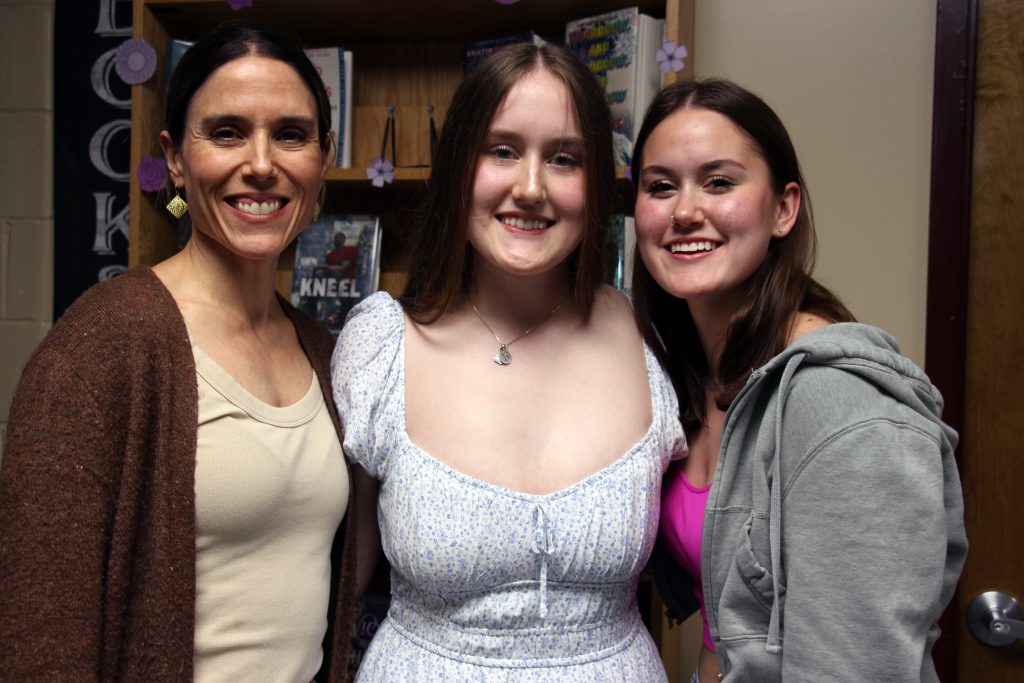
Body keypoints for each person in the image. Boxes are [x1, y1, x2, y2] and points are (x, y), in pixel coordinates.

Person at [0, 21, 372, 681]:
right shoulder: (101, 350)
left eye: (290, 134)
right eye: (226, 132)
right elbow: (40, 633)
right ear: (174, 157)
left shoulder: (324, 351)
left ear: (324, 156)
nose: (261, 163)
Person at [331, 43, 686, 680]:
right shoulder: (381, 347)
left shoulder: (653, 337)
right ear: (458, 165)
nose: (530, 188)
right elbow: (330, 586)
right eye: (501, 150)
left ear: (597, 180)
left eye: (564, 158)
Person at [630, 78, 968, 682]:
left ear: (784, 209)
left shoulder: (840, 405)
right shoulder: (684, 380)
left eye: (719, 182)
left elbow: (860, 668)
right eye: (660, 186)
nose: (685, 211)